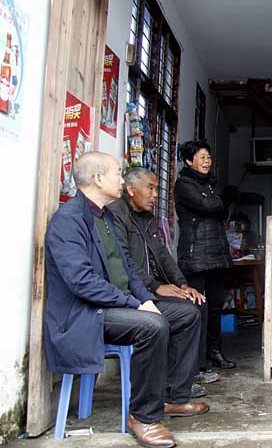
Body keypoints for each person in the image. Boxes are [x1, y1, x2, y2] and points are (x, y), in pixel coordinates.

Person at [44, 152, 209, 448]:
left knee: (187, 314)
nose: (122, 180)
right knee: (152, 325)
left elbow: (129, 269)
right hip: (85, 314)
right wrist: (136, 305)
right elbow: (81, 282)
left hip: (117, 305)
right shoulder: (68, 220)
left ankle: (172, 397)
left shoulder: (107, 216)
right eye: (118, 173)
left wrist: (146, 298)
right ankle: (144, 416)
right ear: (97, 178)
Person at [108, 167, 217, 396]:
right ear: (131, 189)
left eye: (156, 189)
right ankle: (172, 386)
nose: (155, 194)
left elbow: (163, 254)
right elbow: (125, 262)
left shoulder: (146, 218)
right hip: (133, 293)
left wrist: (182, 284)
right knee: (186, 313)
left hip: (149, 288)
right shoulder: (116, 215)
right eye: (150, 188)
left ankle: (187, 375)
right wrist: (156, 286)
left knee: (197, 301)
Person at [174, 140, 236, 371]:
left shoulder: (210, 184)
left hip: (217, 255)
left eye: (208, 157)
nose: (207, 161)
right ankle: (197, 362)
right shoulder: (184, 185)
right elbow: (208, 206)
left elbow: (223, 211)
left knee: (216, 308)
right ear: (189, 161)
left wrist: (219, 204)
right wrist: (220, 203)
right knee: (198, 309)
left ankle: (214, 352)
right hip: (196, 257)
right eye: (201, 157)